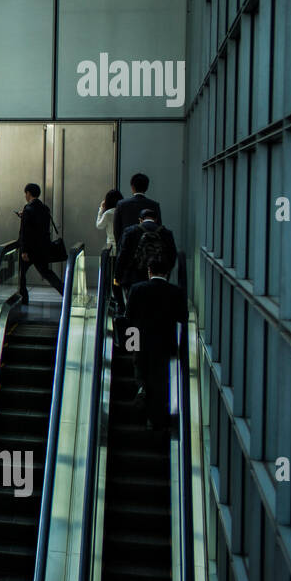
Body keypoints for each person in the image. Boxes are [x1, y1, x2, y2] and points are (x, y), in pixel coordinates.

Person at [125, 257, 188, 433]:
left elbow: (128, 316)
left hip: (139, 339)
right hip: (164, 342)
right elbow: (183, 317)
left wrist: (130, 342)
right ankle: (155, 419)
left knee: (139, 367)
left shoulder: (137, 289)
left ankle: (141, 389)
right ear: (167, 273)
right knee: (160, 379)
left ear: (149, 271)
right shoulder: (175, 292)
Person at [8, 183, 64, 305]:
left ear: (28, 193)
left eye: (25, 193)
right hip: (42, 248)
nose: (25, 196)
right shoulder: (44, 208)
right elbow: (40, 226)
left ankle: (24, 298)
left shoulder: (28, 209)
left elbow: (25, 232)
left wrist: (23, 250)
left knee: (21, 274)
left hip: (29, 250)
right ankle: (65, 292)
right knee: (47, 273)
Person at [116, 209, 177, 300]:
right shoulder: (166, 233)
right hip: (158, 275)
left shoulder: (130, 231)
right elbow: (172, 255)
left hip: (134, 276)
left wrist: (118, 276)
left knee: (135, 305)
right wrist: (165, 272)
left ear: (140, 220)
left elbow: (123, 255)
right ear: (156, 220)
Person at [115, 172, 162, 237]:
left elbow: (117, 230)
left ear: (132, 187)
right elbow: (158, 228)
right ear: (147, 187)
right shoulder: (154, 205)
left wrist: (120, 246)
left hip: (127, 244)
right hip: (147, 245)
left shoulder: (121, 204)